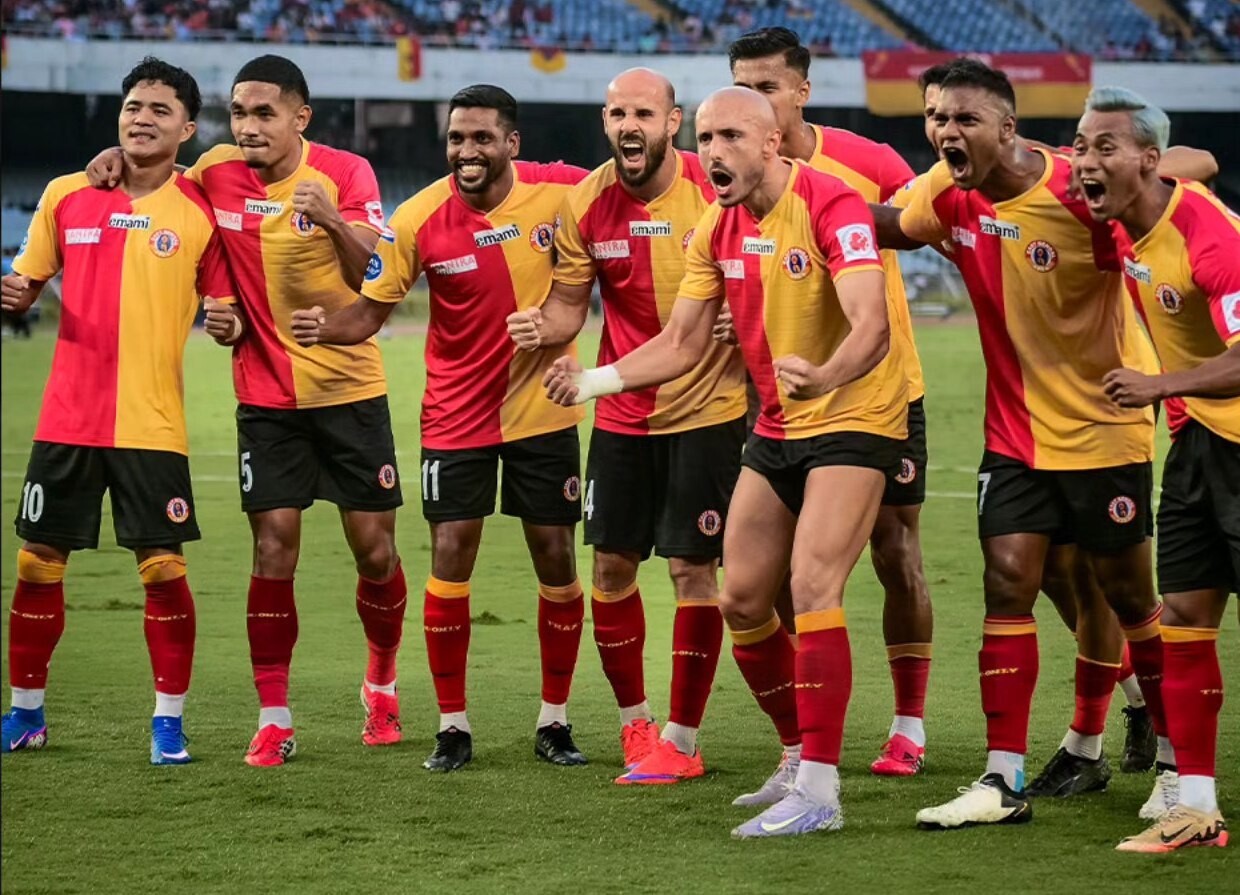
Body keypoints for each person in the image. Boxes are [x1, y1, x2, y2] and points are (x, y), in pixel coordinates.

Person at [544, 86, 907, 838]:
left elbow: (871, 325)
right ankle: (797, 755)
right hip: (777, 425)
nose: (713, 151)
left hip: (854, 416)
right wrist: (594, 382)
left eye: (731, 136)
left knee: (812, 584)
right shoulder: (716, 225)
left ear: (772, 142)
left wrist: (826, 376)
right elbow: (680, 342)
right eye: (706, 138)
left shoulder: (833, 204)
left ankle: (820, 792)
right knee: (741, 598)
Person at [871, 59, 1170, 831]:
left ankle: (1170, 759)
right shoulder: (947, 191)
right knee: (1009, 581)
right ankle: (1000, 778)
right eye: (938, 117)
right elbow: (888, 226)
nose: (946, 131)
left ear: (1008, 128)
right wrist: (794, 199)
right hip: (1013, 433)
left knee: (1124, 593)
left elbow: (1167, 212)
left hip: (1105, 426)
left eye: (965, 119)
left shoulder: (1081, 192)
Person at [87, 55, 407, 767]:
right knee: (273, 548)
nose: (249, 126)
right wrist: (113, 156)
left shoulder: (346, 173)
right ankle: (274, 716)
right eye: (239, 112)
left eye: (265, 113)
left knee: (375, 551)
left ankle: (382, 681)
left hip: (349, 391)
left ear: (300, 118)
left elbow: (377, 274)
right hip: (264, 397)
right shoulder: (215, 170)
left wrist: (331, 220)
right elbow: (155, 179)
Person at [291, 85, 591, 772]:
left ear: (511, 142)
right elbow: (369, 313)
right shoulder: (418, 216)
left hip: (542, 408)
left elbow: (631, 189)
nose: (466, 150)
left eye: (482, 137)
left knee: (556, 556)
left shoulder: (560, 189)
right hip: (457, 416)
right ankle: (452, 726)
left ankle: (554, 720)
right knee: (451, 555)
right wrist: (325, 327)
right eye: (457, 138)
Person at [506, 68, 747, 783]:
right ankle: (636, 723)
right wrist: (542, 325)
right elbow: (569, 305)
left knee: (692, 568)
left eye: (643, 113)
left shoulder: (714, 188)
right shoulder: (586, 202)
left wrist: (746, 313)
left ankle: (683, 736)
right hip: (621, 409)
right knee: (610, 566)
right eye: (616, 114)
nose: (627, 125)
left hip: (707, 408)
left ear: (673, 122)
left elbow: (762, 272)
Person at [1, 57, 237, 765]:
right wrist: (14, 296)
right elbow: (25, 282)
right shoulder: (67, 193)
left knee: (162, 569)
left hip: (151, 423)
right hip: (66, 419)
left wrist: (227, 322)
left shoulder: (199, 209)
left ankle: (168, 722)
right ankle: (26, 713)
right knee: (37, 563)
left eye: (161, 110)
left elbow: (224, 307)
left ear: (188, 129)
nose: (142, 118)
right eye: (134, 106)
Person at [728, 27, 930, 780]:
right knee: (776, 575)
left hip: (879, 389)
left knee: (894, 551)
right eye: (744, 87)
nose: (757, 100)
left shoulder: (865, 161)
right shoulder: (732, 171)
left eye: (768, 87)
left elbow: (926, 224)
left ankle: (908, 724)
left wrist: (830, 212)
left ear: (802, 91)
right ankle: (804, 742)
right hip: (783, 398)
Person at [1072, 85, 1237, 853]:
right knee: (1186, 621)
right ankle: (1195, 808)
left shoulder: (1207, 234)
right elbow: (1193, 156)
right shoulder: (1125, 218)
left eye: (1103, 146)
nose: (1085, 160)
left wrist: (1160, 385)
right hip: (1201, 446)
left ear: (1146, 160)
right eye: (1080, 144)